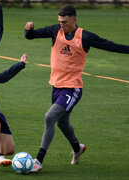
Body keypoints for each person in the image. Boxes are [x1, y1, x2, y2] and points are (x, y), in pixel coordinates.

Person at [24, 5, 129, 172]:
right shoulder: (55, 31)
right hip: (56, 86)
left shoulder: (85, 36)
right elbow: (31, 36)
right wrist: (28, 30)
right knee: (62, 123)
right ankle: (77, 148)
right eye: (59, 22)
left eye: (64, 22)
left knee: (49, 117)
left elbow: (111, 45)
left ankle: (38, 161)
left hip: (72, 88)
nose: (61, 25)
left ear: (73, 20)